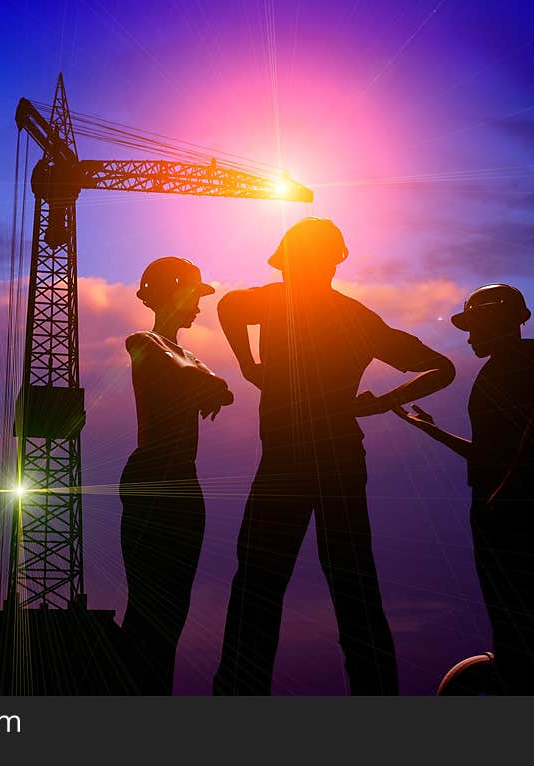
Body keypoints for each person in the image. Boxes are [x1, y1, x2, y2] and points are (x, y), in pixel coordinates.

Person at [213, 217, 455, 695]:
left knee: (258, 587)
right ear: (333, 259)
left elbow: (228, 307)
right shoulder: (356, 317)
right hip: (340, 458)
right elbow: (441, 367)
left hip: (285, 462)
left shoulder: (275, 300)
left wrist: (247, 364)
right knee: (354, 588)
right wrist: (380, 403)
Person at [394, 283, 534, 694]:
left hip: (514, 503)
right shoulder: (501, 366)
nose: (469, 335)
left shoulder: (526, 356)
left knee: (525, 612)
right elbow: (488, 455)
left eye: (475, 325)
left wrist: (506, 490)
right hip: (498, 499)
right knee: (509, 611)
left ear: (499, 319)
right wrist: (434, 431)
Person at [120, 256, 234, 694]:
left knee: (172, 608)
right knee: (149, 602)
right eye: (194, 296)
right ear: (172, 294)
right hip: (152, 477)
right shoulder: (143, 340)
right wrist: (208, 384)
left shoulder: (189, 354)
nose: (199, 308)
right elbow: (189, 376)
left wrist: (212, 385)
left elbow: (220, 386)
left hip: (184, 480)